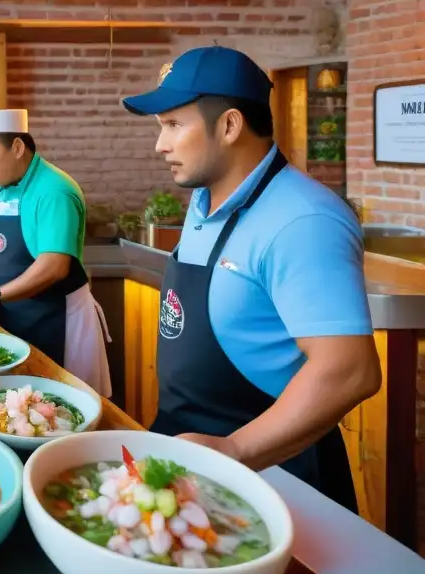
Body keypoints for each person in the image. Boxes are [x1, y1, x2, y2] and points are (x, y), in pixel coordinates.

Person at [121, 45, 381, 511]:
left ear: (229, 125)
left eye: (173, 125)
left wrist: (235, 451)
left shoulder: (304, 219)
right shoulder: (205, 203)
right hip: (193, 466)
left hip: (275, 479)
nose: (160, 145)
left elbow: (350, 371)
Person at [0, 109, 111, 397]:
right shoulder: (4, 187)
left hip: (55, 319)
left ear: (16, 147)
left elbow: (54, 267)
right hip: (17, 315)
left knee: (60, 403)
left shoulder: (54, 190)